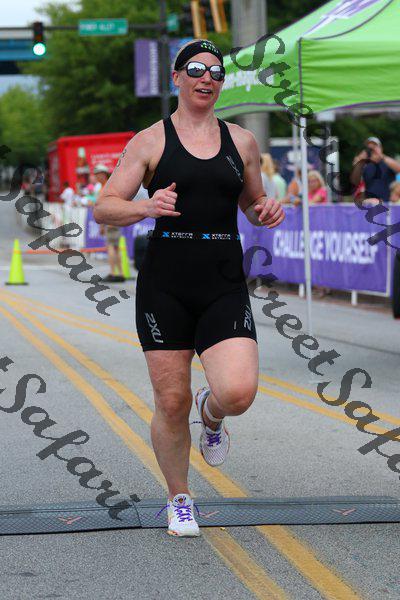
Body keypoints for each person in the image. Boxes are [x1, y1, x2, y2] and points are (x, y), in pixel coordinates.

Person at [94, 39, 284, 537]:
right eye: (196, 69)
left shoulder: (242, 141)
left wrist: (265, 209)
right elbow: (104, 207)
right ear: (176, 77)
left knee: (237, 392)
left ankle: (212, 413)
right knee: (171, 401)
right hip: (166, 283)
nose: (207, 79)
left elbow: (253, 204)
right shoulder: (149, 141)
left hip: (222, 278)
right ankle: (180, 499)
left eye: (216, 73)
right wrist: (145, 206)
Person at [94, 164, 125, 283]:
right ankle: (120, 273)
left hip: (110, 219)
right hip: (114, 218)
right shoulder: (109, 186)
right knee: (115, 247)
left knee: (111, 246)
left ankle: (113, 273)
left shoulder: (106, 187)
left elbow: (104, 208)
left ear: (103, 174)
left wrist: (103, 224)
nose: (96, 176)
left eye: (98, 174)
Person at [351, 136, 400, 203]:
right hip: (370, 202)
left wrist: (381, 156)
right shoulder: (366, 165)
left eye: (374, 147)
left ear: (380, 148)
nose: (372, 150)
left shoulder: (387, 163)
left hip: (387, 202)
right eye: (369, 148)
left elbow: (398, 168)